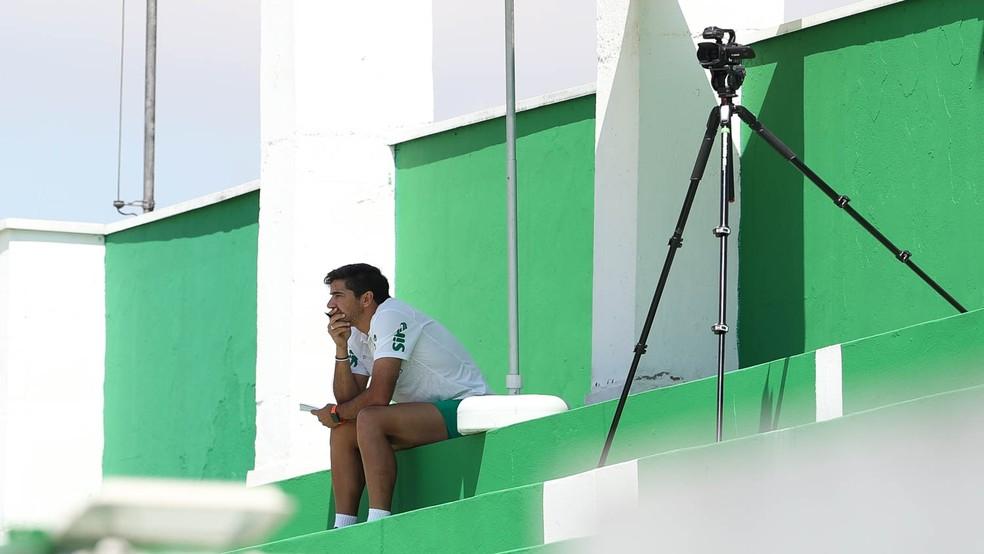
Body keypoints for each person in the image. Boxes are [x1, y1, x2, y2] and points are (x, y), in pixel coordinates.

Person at [310, 263, 489, 528]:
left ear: (366, 298)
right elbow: (348, 398)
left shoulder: (390, 315)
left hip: (465, 405)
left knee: (370, 418)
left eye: (338, 295)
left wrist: (336, 413)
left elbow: (378, 397)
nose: (330, 304)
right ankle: (343, 526)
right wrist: (341, 348)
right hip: (426, 415)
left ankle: (379, 522)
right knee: (343, 430)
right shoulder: (357, 333)